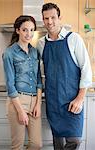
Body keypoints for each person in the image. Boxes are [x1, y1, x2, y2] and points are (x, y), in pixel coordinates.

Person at [37, 3, 92, 150]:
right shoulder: (41, 44)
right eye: (46, 18)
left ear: (59, 18)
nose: (50, 22)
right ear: (43, 20)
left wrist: (80, 98)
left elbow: (86, 70)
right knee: (58, 144)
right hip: (53, 101)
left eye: (53, 17)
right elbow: (40, 72)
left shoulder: (74, 39)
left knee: (74, 141)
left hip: (72, 101)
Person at [2, 15, 42, 150]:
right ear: (17, 30)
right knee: (17, 146)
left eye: (31, 30)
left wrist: (38, 103)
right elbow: (10, 84)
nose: (29, 34)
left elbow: (38, 80)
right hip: (17, 101)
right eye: (25, 30)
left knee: (37, 144)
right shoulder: (9, 53)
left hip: (34, 101)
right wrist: (20, 111)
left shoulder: (35, 52)